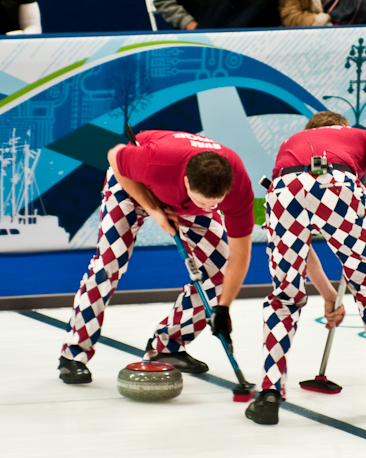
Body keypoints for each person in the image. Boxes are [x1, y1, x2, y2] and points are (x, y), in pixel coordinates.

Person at [245, 111, 366, 425]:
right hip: (337, 185)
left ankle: (269, 394)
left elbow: (303, 251)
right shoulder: (362, 135)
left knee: (285, 297)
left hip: (282, 191)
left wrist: (329, 296)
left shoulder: (291, 143)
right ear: (343, 127)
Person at [59, 130, 254, 383]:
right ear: (186, 183)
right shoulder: (156, 160)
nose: (209, 209)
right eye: (202, 201)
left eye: (215, 204)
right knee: (109, 264)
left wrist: (223, 308)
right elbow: (114, 156)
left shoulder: (238, 185)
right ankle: (74, 353)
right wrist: (154, 209)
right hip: (131, 184)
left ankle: (168, 345)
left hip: (178, 197)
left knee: (219, 267)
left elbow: (240, 253)